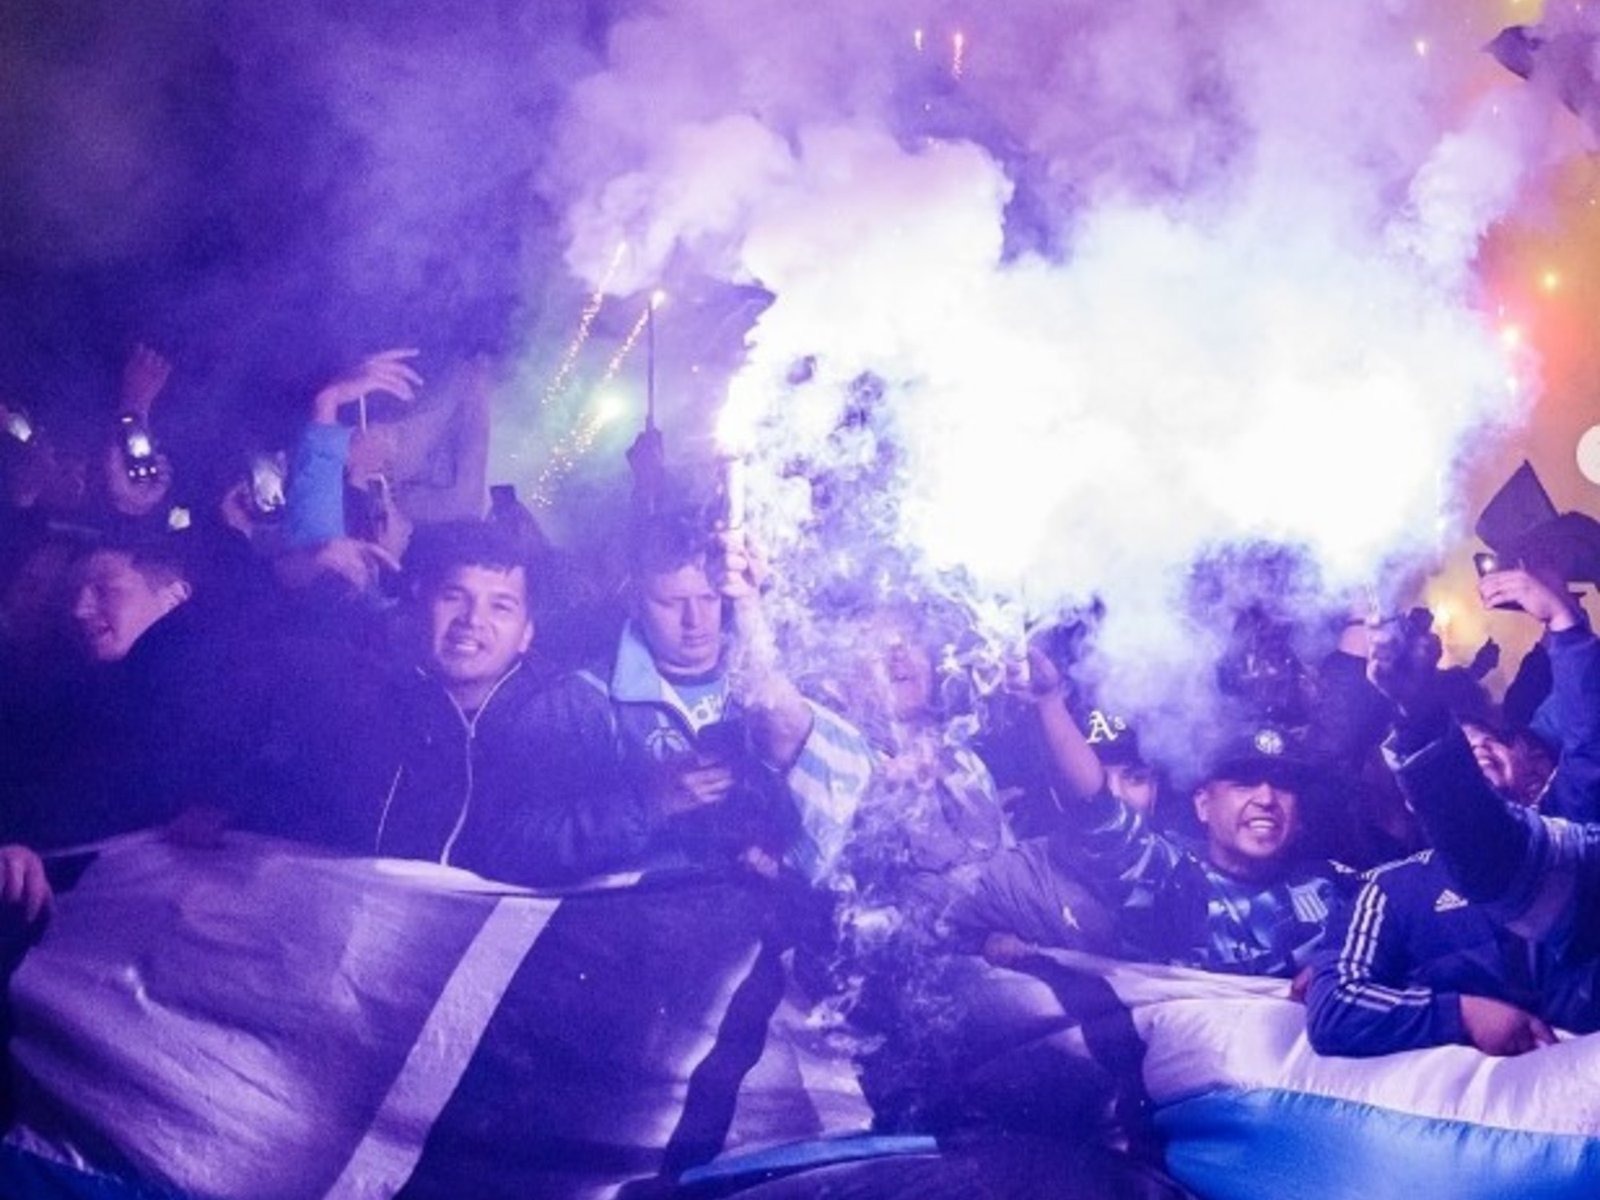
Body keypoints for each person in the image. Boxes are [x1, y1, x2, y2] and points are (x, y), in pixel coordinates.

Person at [957, 646, 1350, 979]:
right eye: (1243, 783)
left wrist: (1343, 969)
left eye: (1282, 785)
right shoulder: (1171, 879)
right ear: (1202, 803)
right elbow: (1098, 814)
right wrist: (1050, 704)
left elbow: (1405, 910)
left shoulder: (1335, 888)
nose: (1266, 796)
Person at [529, 511, 872, 885]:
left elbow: (848, 806)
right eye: (670, 602)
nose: (695, 621)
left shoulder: (775, 680)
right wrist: (647, 802)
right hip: (633, 927)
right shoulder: (580, 702)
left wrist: (776, 848)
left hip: (755, 925)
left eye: (708, 598)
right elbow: (515, 846)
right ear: (633, 600)